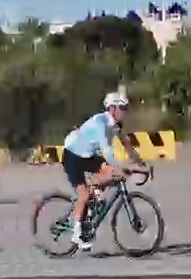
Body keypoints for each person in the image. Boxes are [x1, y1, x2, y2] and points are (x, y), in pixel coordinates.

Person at [61, 92, 149, 250]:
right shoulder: (100, 122)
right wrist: (119, 168)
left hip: (88, 156)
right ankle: (77, 234)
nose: (125, 111)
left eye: (126, 108)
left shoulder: (117, 125)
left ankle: (93, 201)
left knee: (110, 175)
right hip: (73, 155)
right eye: (122, 108)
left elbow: (127, 145)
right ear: (112, 108)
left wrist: (141, 163)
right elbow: (106, 150)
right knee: (84, 194)